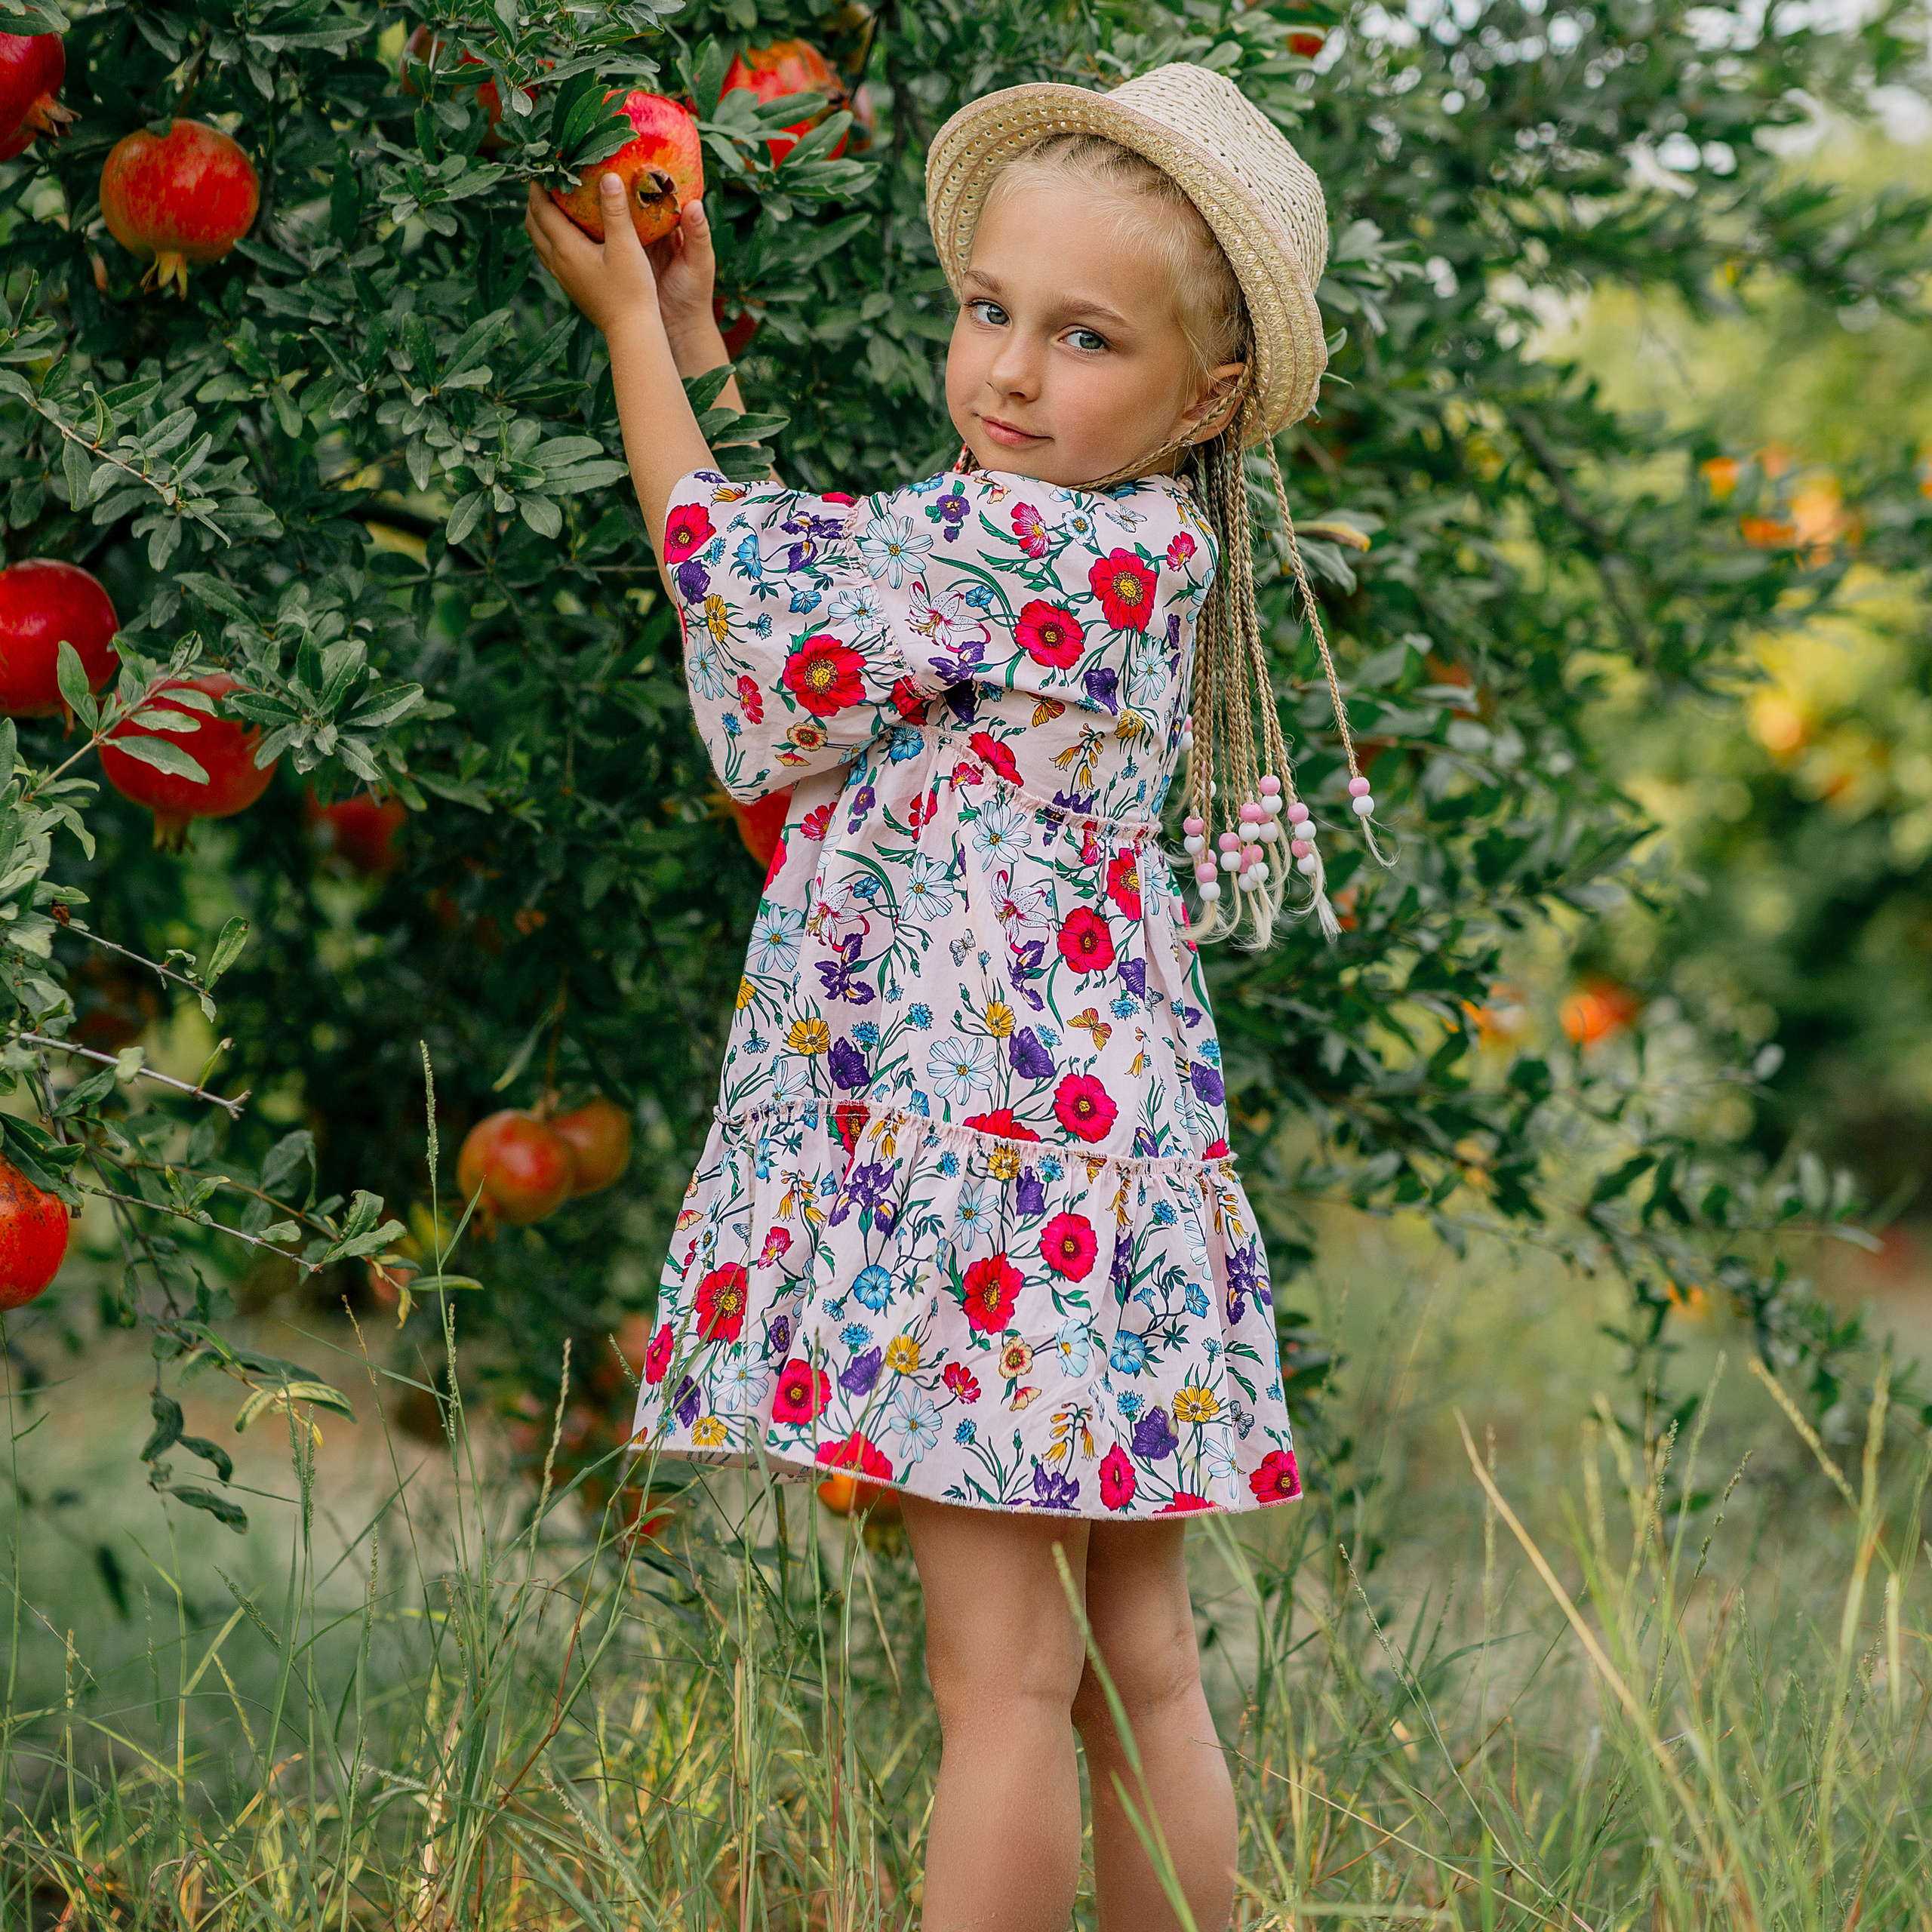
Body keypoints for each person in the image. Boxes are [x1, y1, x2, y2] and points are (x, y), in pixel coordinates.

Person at [527, 61, 1377, 1932]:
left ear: (1205, 396)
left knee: (996, 1678)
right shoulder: (1110, 544)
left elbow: (750, 590)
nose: (1005, 371)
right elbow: (845, 623)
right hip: (1098, 1156)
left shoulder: (1036, 542)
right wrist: (694, 327)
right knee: (1130, 1664)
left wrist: (627, 342)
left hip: (990, 1165)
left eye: (1081, 340)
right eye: (986, 310)